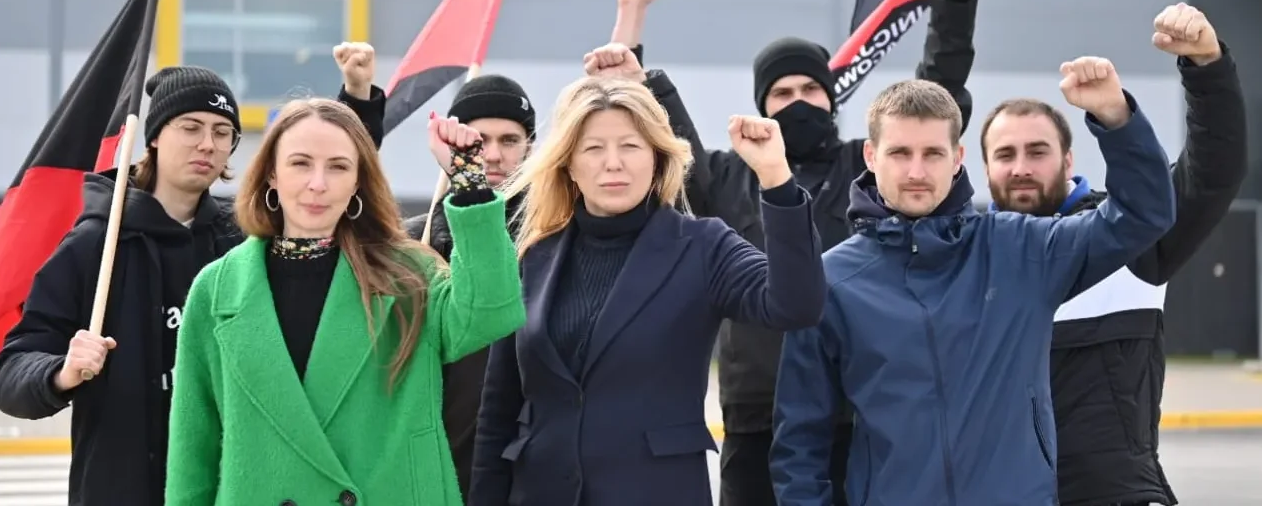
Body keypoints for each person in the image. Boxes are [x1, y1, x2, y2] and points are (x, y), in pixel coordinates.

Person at [607, 0, 981, 506]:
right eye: (782, 93)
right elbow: (637, 117)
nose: (798, 101)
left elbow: (940, 86)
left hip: (863, 406)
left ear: (832, 101)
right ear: (761, 104)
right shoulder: (725, 179)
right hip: (758, 414)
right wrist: (632, 10)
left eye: (811, 89)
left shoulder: (869, 168)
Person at [0, 47, 386, 506]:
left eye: (222, 133)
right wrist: (60, 372)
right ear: (154, 136)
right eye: (190, 128)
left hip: (228, 487)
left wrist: (357, 99)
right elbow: (10, 373)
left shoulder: (244, 243)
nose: (207, 144)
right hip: (123, 489)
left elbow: (325, 189)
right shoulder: (97, 244)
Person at [770, 65, 1178, 505]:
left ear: (958, 156)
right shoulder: (832, 281)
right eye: (900, 153)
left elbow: (1143, 215)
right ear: (871, 156)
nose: (916, 172)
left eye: (932, 154)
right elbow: (800, 440)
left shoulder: (1021, 249)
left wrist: (1116, 117)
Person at [470, 65, 827, 506]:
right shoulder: (533, 257)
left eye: (630, 146)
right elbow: (498, 410)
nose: (613, 163)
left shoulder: (703, 247)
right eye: (594, 148)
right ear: (568, 166)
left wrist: (776, 179)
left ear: (657, 159)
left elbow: (796, 304)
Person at [164, 99, 526, 506]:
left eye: (338, 167)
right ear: (271, 174)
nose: (318, 183)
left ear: (358, 181)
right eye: (301, 163)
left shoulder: (406, 274)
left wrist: (469, 180)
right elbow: (192, 451)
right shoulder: (216, 290)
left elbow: (492, 313)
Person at [971, 3, 1246, 506]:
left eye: (1037, 151)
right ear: (984, 170)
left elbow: (1214, 171)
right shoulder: (966, 258)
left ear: (1068, 159)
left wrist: (1207, 65)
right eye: (1005, 155)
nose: (1021, 167)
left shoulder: (1131, 237)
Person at [402, 73, 536, 499]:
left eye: (510, 140)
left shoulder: (555, 238)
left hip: (528, 461)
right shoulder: (410, 244)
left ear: (530, 147)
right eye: (478, 139)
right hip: (438, 462)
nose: (492, 155)